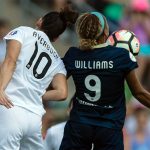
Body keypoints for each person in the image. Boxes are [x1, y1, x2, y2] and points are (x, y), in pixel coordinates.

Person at [59, 12, 150, 150]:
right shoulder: (121, 56)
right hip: (109, 128)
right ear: (105, 32)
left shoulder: (73, 54)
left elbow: (54, 83)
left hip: (79, 125)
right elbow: (139, 93)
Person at [0, 3, 78, 150]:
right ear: (56, 38)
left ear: (40, 21)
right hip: (34, 118)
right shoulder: (57, 60)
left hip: (10, 106)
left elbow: (10, 61)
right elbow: (62, 93)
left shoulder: (23, 32)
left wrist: (0, 88)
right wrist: (37, 93)